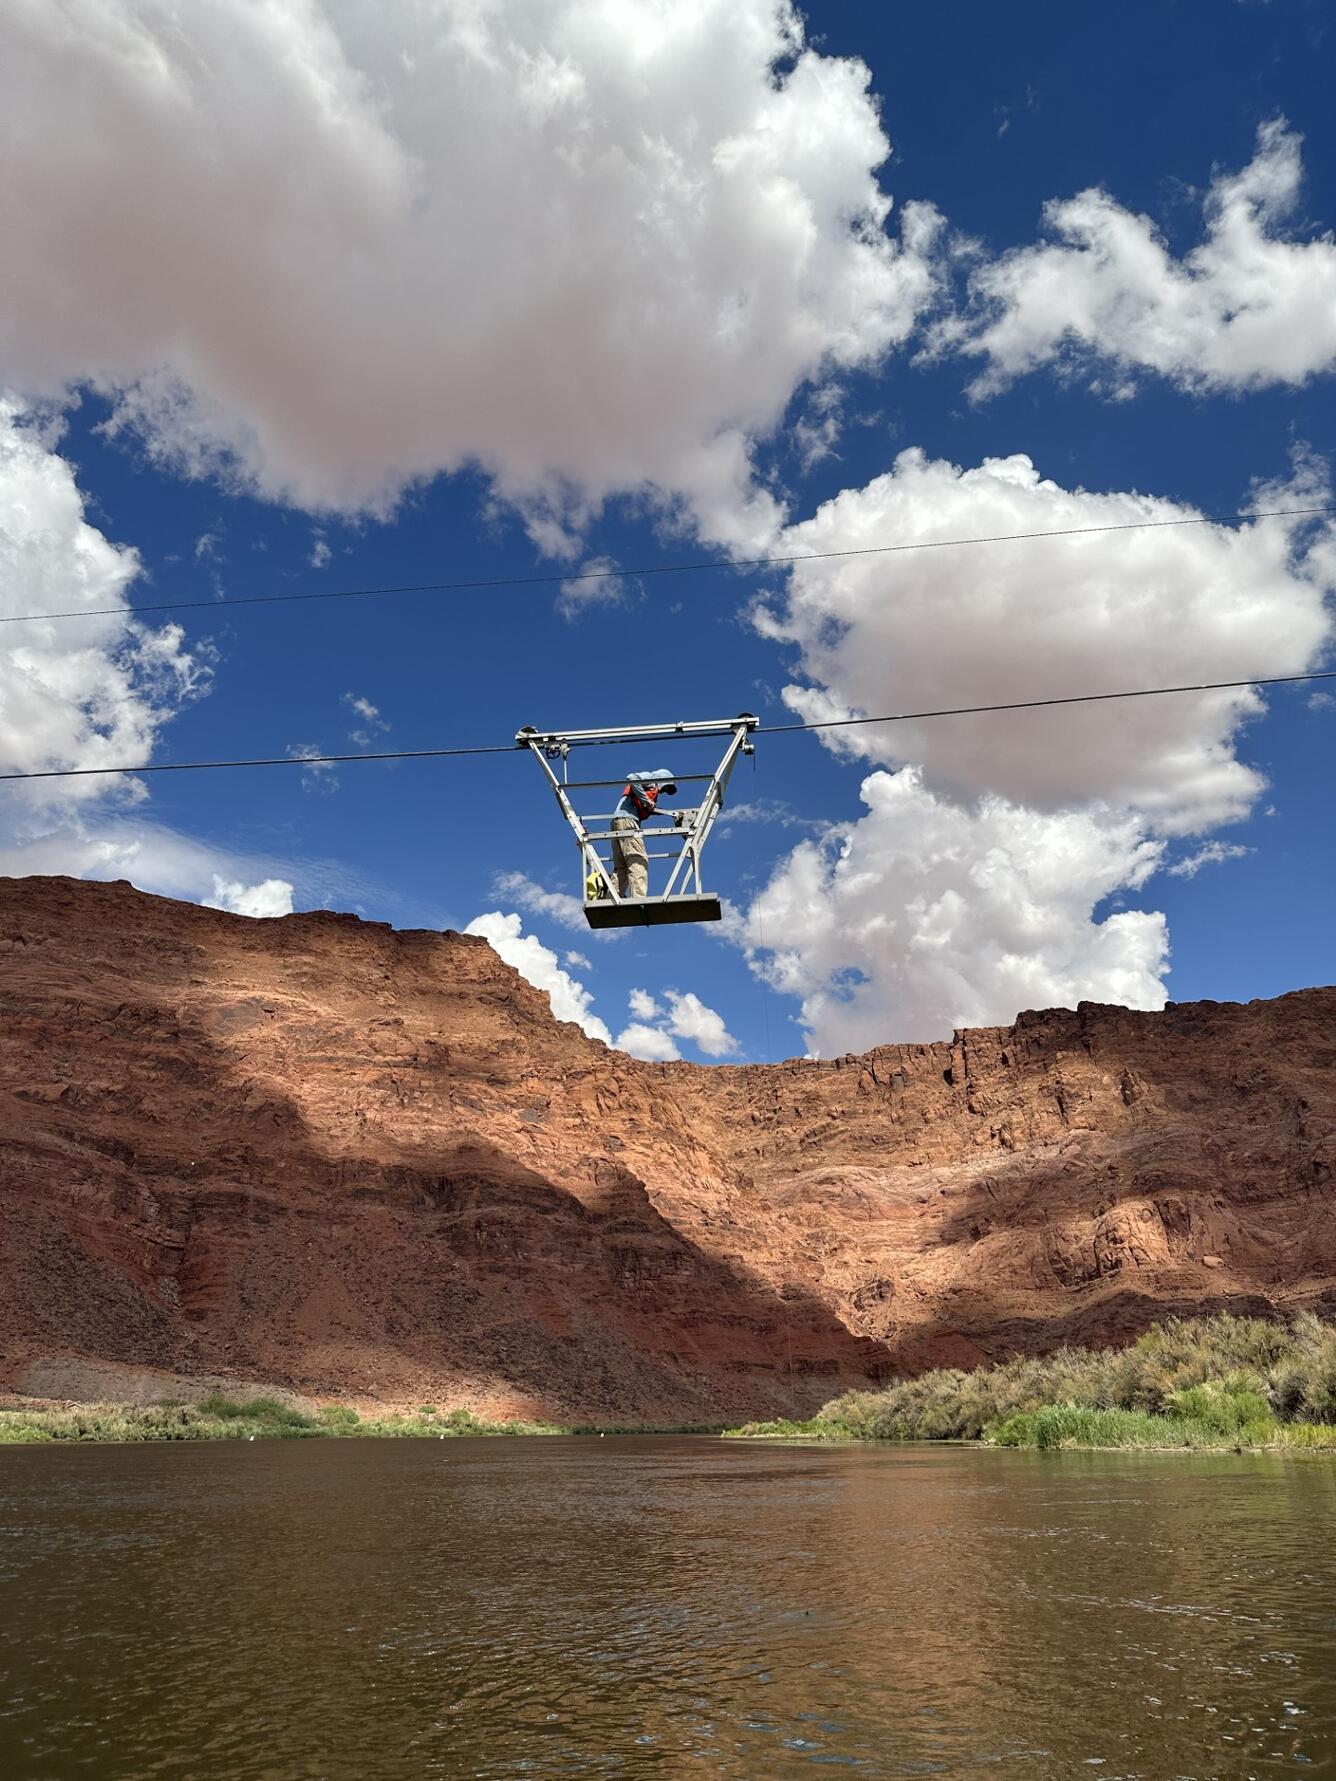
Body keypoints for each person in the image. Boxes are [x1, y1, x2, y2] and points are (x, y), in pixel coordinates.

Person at [610, 768, 676, 901]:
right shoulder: (651, 780)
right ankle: (639, 899)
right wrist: (646, 800)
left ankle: (609, 899)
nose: (662, 792)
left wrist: (669, 813)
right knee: (638, 860)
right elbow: (632, 778)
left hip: (617, 822)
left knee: (621, 867)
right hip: (628, 821)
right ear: (663, 779)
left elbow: (645, 806)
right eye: (665, 787)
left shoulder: (646, 789)